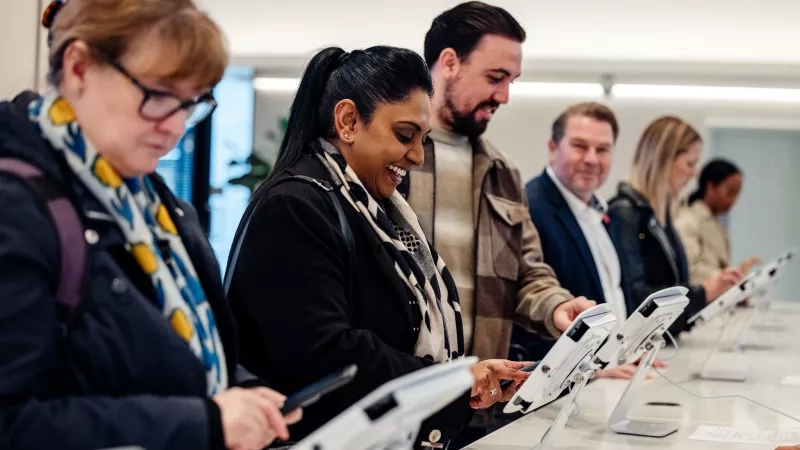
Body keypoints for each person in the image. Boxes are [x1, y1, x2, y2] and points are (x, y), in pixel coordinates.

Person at [0, 1, 301, 449]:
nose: (177, 127)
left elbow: (166, 352)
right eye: (158, 96)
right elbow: (13, 422)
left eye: (191, 103)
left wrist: (239, 393)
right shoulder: (19, 206)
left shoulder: (158, 206)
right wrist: (204, 422)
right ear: (79, 67)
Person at [225, 46, 531, 450]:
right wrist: (450, 382)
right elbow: (329, 355)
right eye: (405, 135)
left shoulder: (375, 211)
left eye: (423, 139)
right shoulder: (296, 205)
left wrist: (466, 374)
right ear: (348, 121)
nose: (418, 156)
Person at [402, 2, 596, 444]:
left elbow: (528, 272)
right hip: (406, 403)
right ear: (448, 62)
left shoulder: (502, 171)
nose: (505, 96)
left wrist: (557, 307)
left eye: (511, 81)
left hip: (479, 410)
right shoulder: (394, 159)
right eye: (495, 78)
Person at [511, 102, 645, 377]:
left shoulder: (602, 213)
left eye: (602, 150)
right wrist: (590, 370)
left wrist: (628, 352)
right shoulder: (530, 208)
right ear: (553, 148)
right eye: (580, 146)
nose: (592, 159)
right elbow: (523, 309)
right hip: (556, 391)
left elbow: (613, 293)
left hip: (610, 377)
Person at [608, 116, 743, 336]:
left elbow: (675, 281)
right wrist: (702, 293)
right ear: (663, 160)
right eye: (689, 164)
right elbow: (634, 296)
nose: (694, 173)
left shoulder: (661, 215)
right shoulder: (626, 213)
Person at [675, 158, 761, 284]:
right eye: (730, 192)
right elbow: (690, 270)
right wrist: (730, 277)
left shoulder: (717, 223)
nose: (734, 200)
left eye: (737, 194)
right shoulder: (688, 220)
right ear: (710, 187)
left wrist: (736, 275)